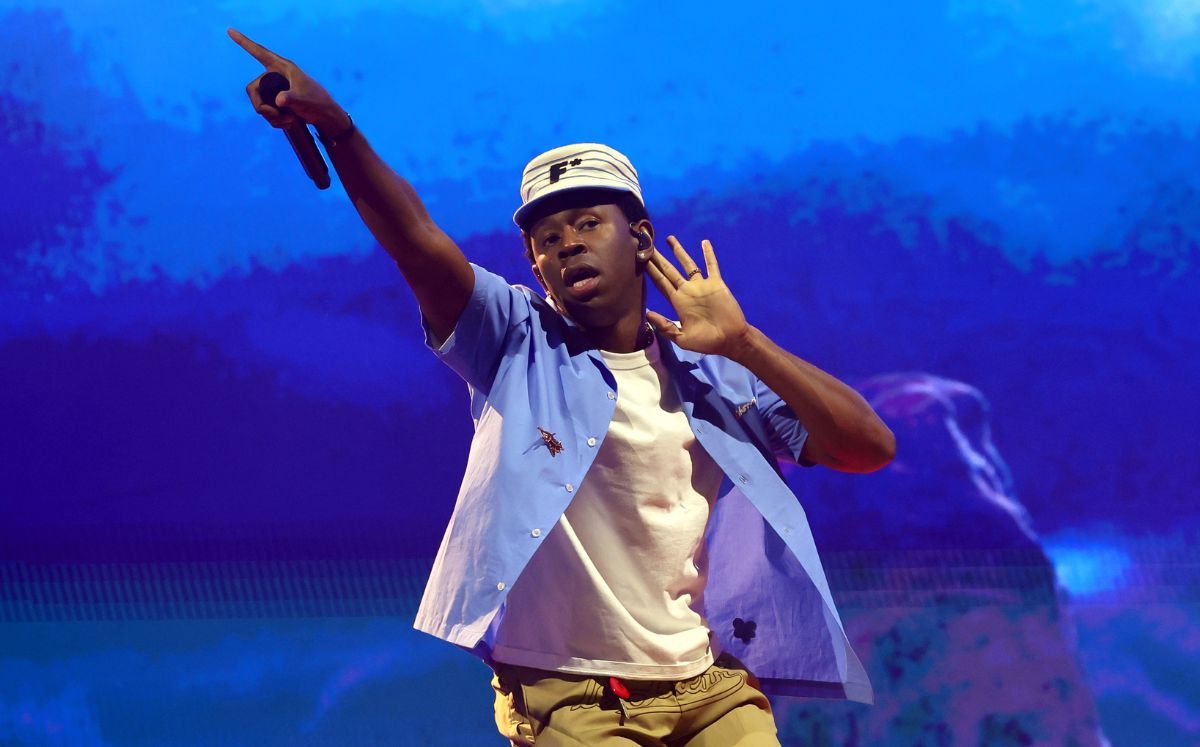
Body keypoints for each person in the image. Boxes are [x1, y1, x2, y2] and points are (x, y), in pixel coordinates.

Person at [231, 28, 896, 746]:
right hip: (573, 699)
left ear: (640, 238)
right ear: (534, 265)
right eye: (546, 238)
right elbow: (416, 241)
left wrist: (746, 344)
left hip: (708, 688)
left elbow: (867, 447)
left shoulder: (714, 373)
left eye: (587, 223)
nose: (567, 243)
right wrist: (339, 130)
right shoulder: (515, 339)